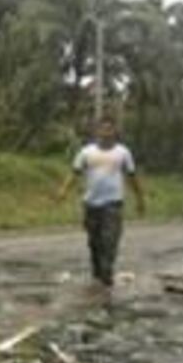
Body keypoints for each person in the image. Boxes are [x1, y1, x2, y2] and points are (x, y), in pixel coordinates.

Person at [55, 117, 146, 285]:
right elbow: (74, 173)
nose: (106, 132)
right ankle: (98, 273)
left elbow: (132, 176)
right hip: (91, 204)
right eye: (102, 129)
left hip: (113, 204)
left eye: (109, 129)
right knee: (94, 242)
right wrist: (63, 191)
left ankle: (106, 274)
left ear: (114, 132)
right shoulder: (86, 152)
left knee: (110, 240)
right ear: (97, 131)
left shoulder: (123, 153)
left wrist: (140, 199)